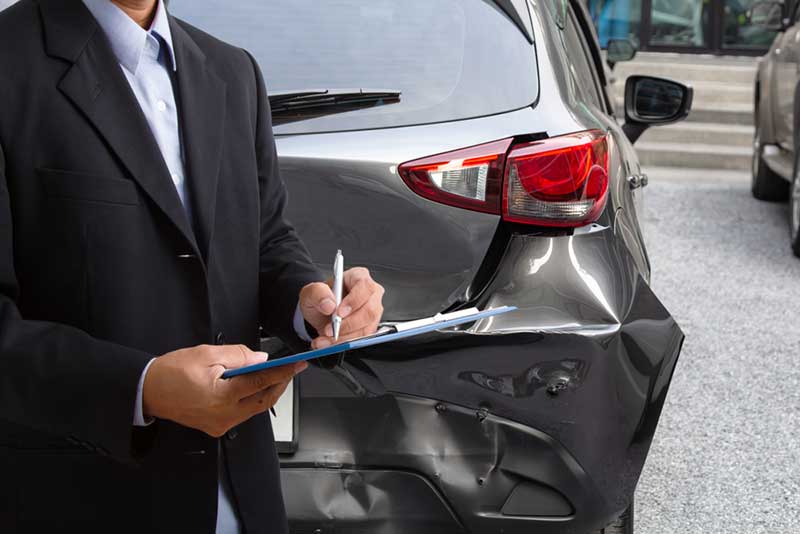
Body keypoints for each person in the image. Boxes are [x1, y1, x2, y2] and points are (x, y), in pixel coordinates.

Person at [0, 0, 385, 532]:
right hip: (76, 496)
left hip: (241, 494)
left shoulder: (230, 69)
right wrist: (143, 387)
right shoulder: (9, 63)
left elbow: (266, 242)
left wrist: (315, 306)